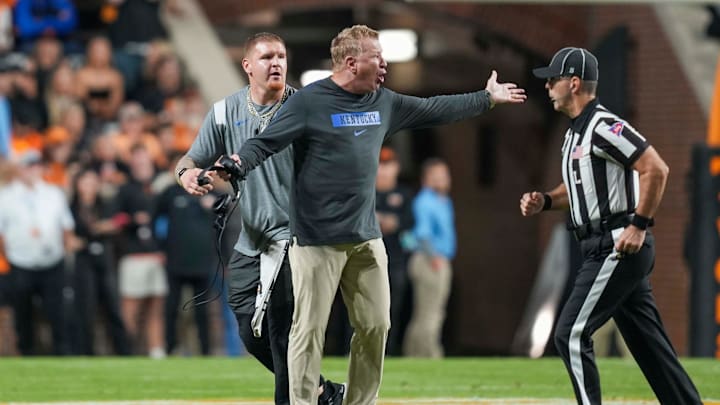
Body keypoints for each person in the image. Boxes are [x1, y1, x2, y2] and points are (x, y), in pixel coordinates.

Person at [225, 24, 525, 405]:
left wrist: (486, 98)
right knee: (308, 332)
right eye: (377, 57)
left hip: (366, 239)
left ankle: (359, 403)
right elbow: (263, 144)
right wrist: (236, 163)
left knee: (376, 325)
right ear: (352, 62)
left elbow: (434, 108)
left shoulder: (382, 101)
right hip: (316, 243)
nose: (384, 64)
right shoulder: (308, 102)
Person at [520, 47, 702, 405]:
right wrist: (545, 200)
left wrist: (639, 224)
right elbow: (579, 191)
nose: (548, 87)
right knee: (649, 347)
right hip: (600, 244)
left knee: (570, 334)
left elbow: (656, 168)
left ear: (574, 83)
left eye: (553, 80)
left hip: (617, 243)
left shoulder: (603, 125)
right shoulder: (574, 132)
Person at [175, 32, 343, 405]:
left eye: (281, 56)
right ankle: (321, 391)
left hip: (294, 239)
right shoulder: (224, 111)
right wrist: (186, 175)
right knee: (250, 333)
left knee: (281, 331)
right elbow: (188, 159)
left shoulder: (305, 107)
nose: (277, 63)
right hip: (251, 240)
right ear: (247, 66)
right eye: (267, 57)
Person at [0, 150, 75, 355]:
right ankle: (27, 352)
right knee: (23, 313)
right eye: (28, 165)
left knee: (57, 311)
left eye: (36, 165)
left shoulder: (53, 193)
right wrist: (7, 256)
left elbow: (66, 226)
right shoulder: (5, 196)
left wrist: (66, 248)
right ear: (20, 169)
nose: (33, 170)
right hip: (20, 261)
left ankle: (62, 353)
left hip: (52, 261)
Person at [403, 158, 455, 358]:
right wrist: (433, 257)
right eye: (436, 176)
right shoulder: (425, 201)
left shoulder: (444, 201)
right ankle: (429, 354)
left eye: (444, 175)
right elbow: (423, 234)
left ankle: (415, 354)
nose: (442, 180)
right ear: (425, 179)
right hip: (429, 259)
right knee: (429, 313)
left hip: (438, 258)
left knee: (430, 311)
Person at [374, 146, 413, 356]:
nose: (383, 170)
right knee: (360, 310)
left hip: (395, 260)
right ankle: (348, 350)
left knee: (392, 309)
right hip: (365, 260)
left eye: (388, 165)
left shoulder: (404, 194)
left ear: (396, 168)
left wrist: (394, 222)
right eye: (380, 164)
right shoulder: (365, 191)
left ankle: (389, 351)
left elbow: (410, 222)